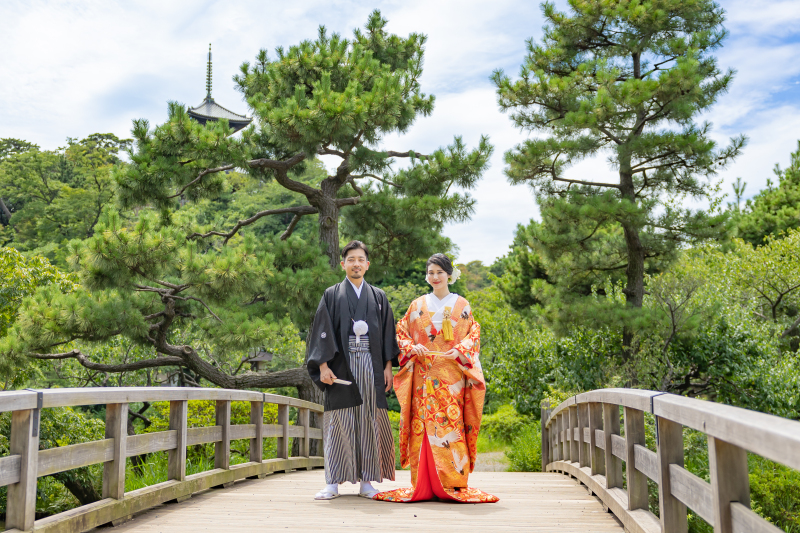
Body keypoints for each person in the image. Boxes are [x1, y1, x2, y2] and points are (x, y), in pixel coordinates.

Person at [373, 254, 498, 503]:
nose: (435, 277)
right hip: (423, 375)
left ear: (449, 275)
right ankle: (423, 482)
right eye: (431, 272)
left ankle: (452, 481)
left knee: (451, 426)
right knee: (422, 423)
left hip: (452, 377)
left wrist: (460, 351)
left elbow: (473, 335)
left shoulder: (462, 305)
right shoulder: (417, 305)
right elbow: (401, 333)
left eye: (440, 272)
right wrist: (412, 348)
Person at [306, 240, 400, 500]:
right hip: (341, 367)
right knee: (339, 422)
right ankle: (333, 483)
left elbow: (388, 333)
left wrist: (388, 367)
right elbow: (321, 331)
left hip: (371, 365)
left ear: (367, 265)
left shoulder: (378, 297)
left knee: (369, 420)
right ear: (343, 264)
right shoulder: (331, 294)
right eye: (351, 260)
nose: (356, 264)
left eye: (360, 260)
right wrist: (323, 365)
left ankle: (367, 482)